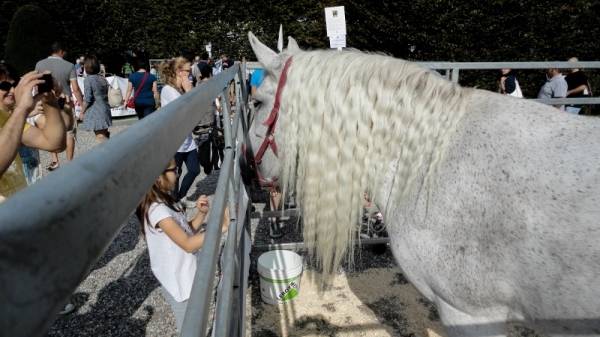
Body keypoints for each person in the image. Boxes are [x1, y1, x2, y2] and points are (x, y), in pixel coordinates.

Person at [136, 159, 229, 333]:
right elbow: (187, 244)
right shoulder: (157, 211)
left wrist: (201, 214)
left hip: (187, 274)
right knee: (189, 327)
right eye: (174, 169)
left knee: (196, 321)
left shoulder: (167, 202)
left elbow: (187, 232)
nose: (178, 173)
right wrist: (221, 228)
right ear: (158, 177)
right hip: (178, 282)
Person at [0, 71, 66, 199]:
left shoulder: (7, 118)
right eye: (5, 87)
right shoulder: (16, 115)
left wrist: (49, 100)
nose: (13, 91)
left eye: (15, 85)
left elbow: (54, 143)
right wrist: (22, 109)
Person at [35, 42, 84, 171]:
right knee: (69, 133)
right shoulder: (69, 65)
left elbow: (36, 85)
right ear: (61, 51)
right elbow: (75, 88)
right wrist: (82, 104)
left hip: (46, 102)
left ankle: (55, 161)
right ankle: (69, 163)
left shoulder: (39, 64)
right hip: (65, 102)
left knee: (50, 129)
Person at [160, 57, 199, 207]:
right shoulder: (168, 90)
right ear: (178, 71)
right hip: (174, 141)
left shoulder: (181, 89)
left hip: (187, 139)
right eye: (188, 71)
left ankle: (180, 197)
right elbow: (184, 110)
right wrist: (189, 91)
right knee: (175, 173)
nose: (190, 74)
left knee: (194, 169)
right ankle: (173, 201)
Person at [79, 55, 112, 143]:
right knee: (105, 134)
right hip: (105, 109)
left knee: (100, 137)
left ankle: (107, 155)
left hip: (96, 111)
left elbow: (88, 99)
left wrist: (82, 112)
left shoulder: (88, 80)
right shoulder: (102, 78)